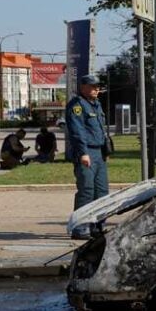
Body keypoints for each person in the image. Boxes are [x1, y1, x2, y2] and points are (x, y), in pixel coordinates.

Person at [65, 74, 111, 240]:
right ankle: (80, 227)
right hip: (86, 153)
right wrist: (83, 153)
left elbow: (100, 130)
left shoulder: (96, 105)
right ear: (83, 87)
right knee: (87, 190)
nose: (96, 89)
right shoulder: (77, 106)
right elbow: (78, 132)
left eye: (98, 86)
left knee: (102, 191)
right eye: (93, 86)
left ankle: (98, 225)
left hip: (98, 153)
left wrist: (105, 152)